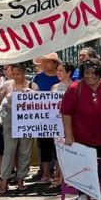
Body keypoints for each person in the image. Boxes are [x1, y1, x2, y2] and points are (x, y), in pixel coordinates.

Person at [60, 58, 101, 200]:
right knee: (83, 167)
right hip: (82, 137)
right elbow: (66, 112)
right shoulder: (75, 88)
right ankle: (83, 195)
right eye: (87, 73)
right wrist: (69, 134)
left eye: (94, 73)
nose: (90, 76)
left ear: (99, 73)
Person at [0, 63, 37, 195]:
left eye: (18, 74)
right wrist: (0, 98)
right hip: (10, 120)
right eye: (13, 74)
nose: (15, 76)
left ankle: (21, 179)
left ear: (24, 72)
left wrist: (32, 94)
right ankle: (4, 180)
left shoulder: (32, 85)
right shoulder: (6, 85)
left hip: (27, 121)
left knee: (25, 151)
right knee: (9, 150)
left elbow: (40, 105)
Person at [33, 52, 62, 183]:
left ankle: (58, 174)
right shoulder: (38, 77)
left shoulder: (60, 77)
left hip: (59, 118)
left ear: (55, 64)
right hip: (42, 118)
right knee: (44, 145)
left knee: (58, 146)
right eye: (43, 62)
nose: (44, 65)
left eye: (47, 62)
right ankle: (45, 173)